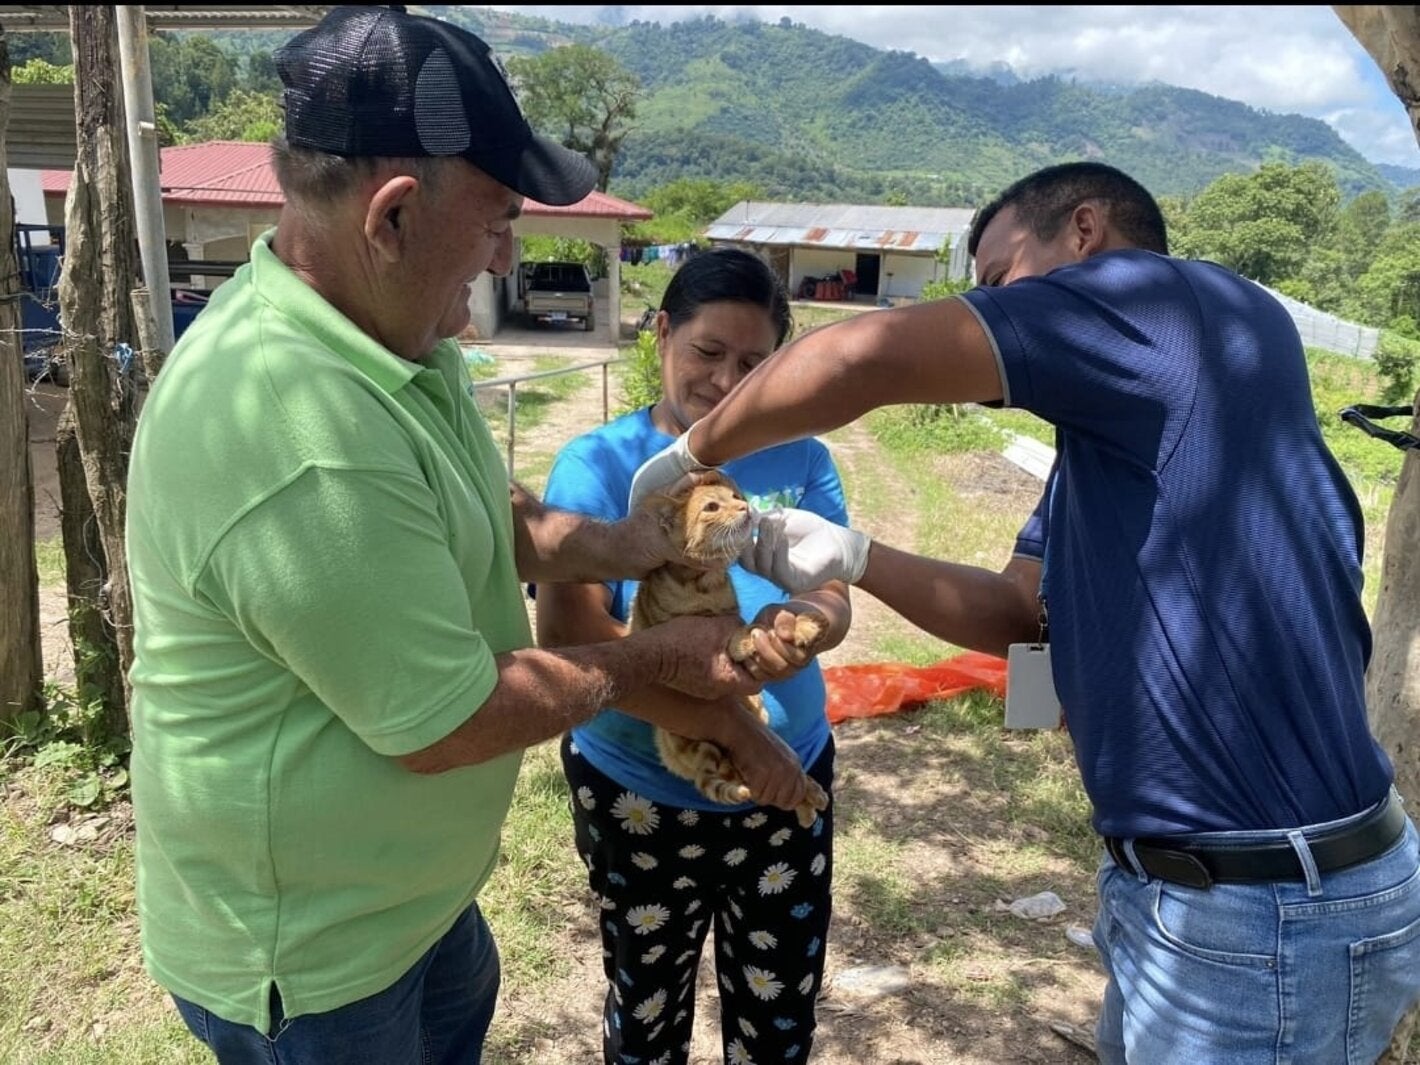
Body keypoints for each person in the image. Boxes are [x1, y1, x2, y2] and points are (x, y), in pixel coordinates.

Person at [123, 9, 805, 1064]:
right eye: (497, 219)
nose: (507, 251)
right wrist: (659, 657)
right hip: (316, 964)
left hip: (410, 909)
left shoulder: (394, 345)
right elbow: (442, 721)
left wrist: (627, 547)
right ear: (392, 216)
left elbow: (492, 513)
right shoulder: (303, 427)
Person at [629, 161, 1420, 1064]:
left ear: (1084, 233)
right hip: (1192, 898)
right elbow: (1018, 613)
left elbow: (862, 356)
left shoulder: (1169, 304)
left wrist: (690, 452)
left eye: (1002, 279)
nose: (991, 308)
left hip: (1265, 903)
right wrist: (854, 557)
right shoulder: (1115, 442)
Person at [534, 247, 853, 1065]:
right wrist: (732, 726)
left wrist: (801, 623)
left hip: (785, 790)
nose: (724, 381)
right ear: (663, 331)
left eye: (752, 363)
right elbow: (571, 641)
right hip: (639, 793)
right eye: (707, 352)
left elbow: (835, 597)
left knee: (777, 1022)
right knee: (646, 1015)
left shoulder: (802, 460)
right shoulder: (602, 467)